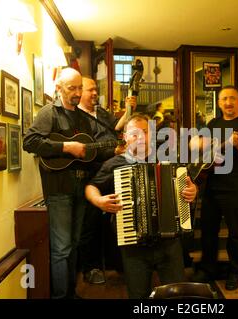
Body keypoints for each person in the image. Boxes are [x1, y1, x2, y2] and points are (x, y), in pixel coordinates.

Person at [85, 114, 198, 298]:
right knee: (138, 295)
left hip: (169, 244)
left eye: (144, 132)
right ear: (125, 137)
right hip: (133, 245)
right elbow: (91, 186)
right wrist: (99, 201)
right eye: (134, 134)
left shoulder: (169, 160)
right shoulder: (115, 164)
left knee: (177, 294)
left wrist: (193, 191)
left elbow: (190, 185)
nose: (140, 138)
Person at [23, 68, 101, 299]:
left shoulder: (83, 118)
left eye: (80, 87)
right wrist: (66, 147)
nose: (77, 93)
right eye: (71, 88)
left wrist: (111, 149)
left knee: (74, 245)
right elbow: (30, 141)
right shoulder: (49, 113)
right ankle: (60, 297)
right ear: (58, 88)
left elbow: (90, 150)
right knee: (61, 249)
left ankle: (71, 293)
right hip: (58, 190)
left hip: (80, 188)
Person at [191, 85, 238, 291]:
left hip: (236, 189)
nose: (228, 102)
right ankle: (207, 269)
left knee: (236, 234)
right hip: (211, 186)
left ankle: (236, 271)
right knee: (208, 232)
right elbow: (194, 144)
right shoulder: (213, 123)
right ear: (219, 103)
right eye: (224, 99)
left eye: (232, 98)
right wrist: (221, 142)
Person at [76, 77, 134, 284]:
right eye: (90, 90)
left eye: (95, 90)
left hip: (111, 170)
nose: (94, 94)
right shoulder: (75, 116)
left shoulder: (100, 113)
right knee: (90, 224)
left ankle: (116, 263)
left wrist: (128, 110)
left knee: (115, 219)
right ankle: (90, 268)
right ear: (79, 91)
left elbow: (116, 127)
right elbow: (83, 149)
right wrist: (113, 150)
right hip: (91, 175)